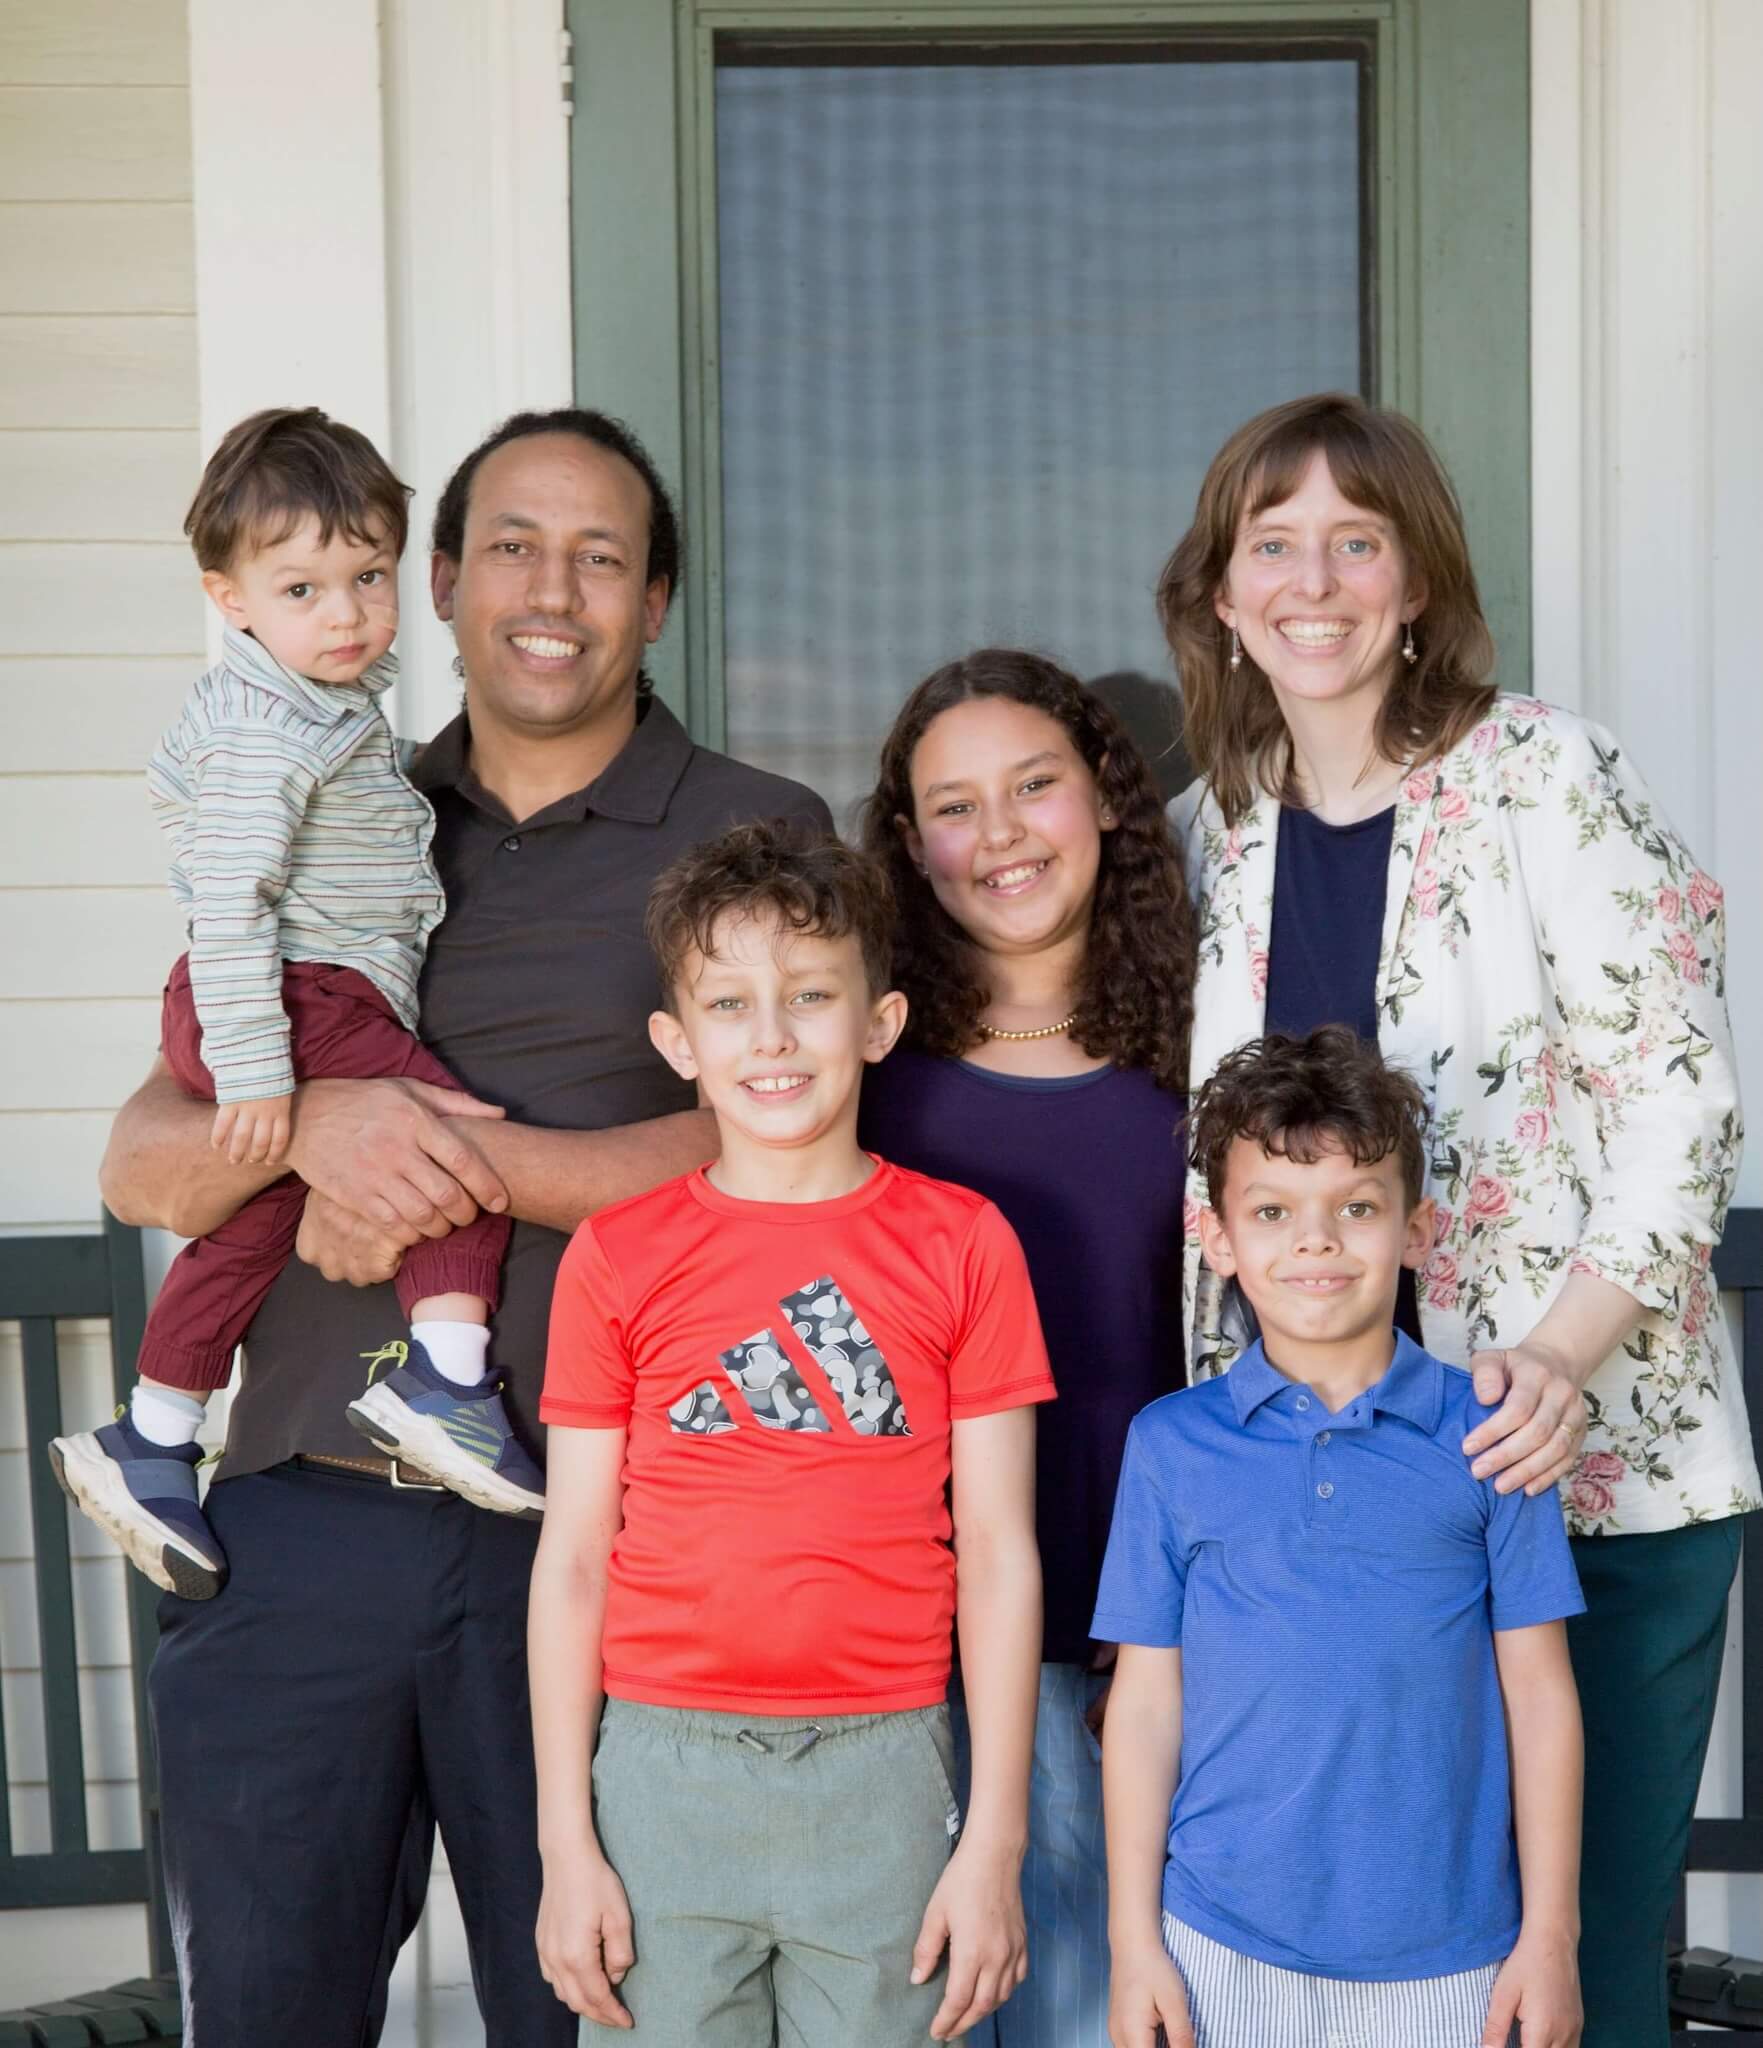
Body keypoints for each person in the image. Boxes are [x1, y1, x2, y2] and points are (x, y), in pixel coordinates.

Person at [98, 408, 831, 2046]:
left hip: (600, 1532)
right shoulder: (330, 789)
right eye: (510, 542)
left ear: (655, 601)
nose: (549, 586)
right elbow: (146, 1160)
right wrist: (322, 1123)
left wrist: (445, 1160)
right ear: (438, 579)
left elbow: (791, 1148)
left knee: (598, 2013)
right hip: (295, 1515)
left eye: (600, 553)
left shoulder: (752, 830)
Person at [1158, 391, 1758, 2047]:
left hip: (1574, 1473)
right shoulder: (1213, 833)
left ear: (1414, 580)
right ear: (1218, 590)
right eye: (1271, 543)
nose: (1314, 580)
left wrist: (1553, 1357)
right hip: (1331, 1503)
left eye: (1358, 539)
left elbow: (1679, 1095)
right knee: (1373, 1947)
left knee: (1567, 1967)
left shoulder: (1542, 777)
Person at [532, 818, 1052, 2046]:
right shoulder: (617, 1255)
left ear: (876, 1022)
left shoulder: (961, 1241)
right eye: (729, 1002)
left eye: (809, 995)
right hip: (659, 1768)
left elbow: (996, 1546)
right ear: (678, 1042)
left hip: (885, 1762)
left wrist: (994, 1837)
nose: (770, 1036)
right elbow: (572, 1558)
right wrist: (566, 1841)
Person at [52, 407, 542, 1604]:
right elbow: (227, 904)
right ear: (230, 598)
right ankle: (447, 1378)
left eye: (367, 575)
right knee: (447, 1146)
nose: (347, 613)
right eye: (303, 586)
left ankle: (157, 1430)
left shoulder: (328, 709)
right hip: (288, 989)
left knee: (254, 1223)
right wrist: (266, 1072)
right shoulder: (266, 729)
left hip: (289, 991)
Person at [1099, 1026, 1586, 2048]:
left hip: (1453, 1954)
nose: (1314, 1242)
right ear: (1219, 1236)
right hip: (1216, 1942)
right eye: (1271, 1210)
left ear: (1414, 1227)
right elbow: (1144, 1703)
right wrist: (1131, 1938)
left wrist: (1549, 1934)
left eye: (1355, 1207)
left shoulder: (1492, 1436)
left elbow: (1539, 1695)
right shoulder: (1170, 1444)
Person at [855, 648, 1194, 2047]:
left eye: (1033, 786)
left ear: (1108, 801)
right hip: (898, 1654)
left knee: (1084, 2007)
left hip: (1143, 1640)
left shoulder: (1206, 1049)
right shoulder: (861, 1074)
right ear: (906, 848)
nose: (996, 835)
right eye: (951, 805)